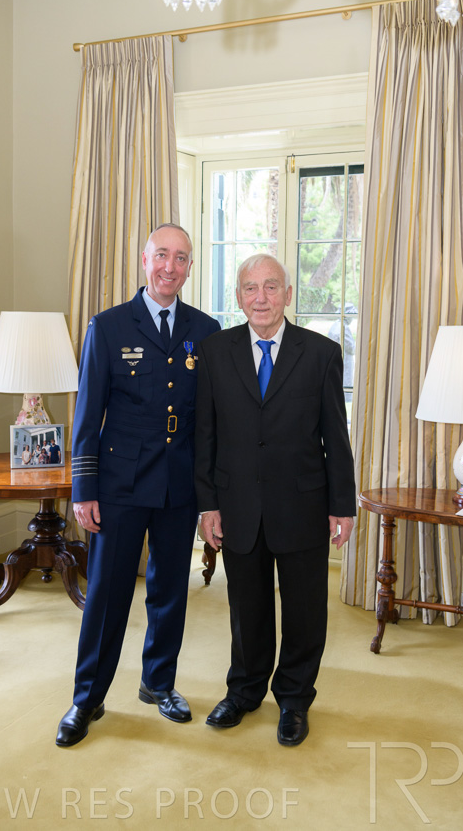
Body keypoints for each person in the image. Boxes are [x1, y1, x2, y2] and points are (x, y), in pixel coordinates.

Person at [56, 223, 220, 748]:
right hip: (119, 485)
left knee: (170, 590)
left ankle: (159, 683)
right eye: (162, 255)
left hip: (179, 484)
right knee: (107, 595)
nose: (170, 266)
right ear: (145, 260)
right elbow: (88, 414)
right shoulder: (108, 326)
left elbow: (210, 421)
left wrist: (211, 494)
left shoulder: (206, 329)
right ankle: (87, 698)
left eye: (181, 258)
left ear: (189, 267)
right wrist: (84, 489)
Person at [195, 253, 356, 747]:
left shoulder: (321, 353)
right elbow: (205, 436)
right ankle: (243, 691)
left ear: (287, 294)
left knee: (305, 611)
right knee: (247, 608)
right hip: (237, 504)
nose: (260, 298)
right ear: (238, 296)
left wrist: (342, 505)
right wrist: (208, 504)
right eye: (250, 288)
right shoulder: (215, 351)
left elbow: (335, 437)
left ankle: (294, 699)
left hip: (303, 505)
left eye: (270, 287)